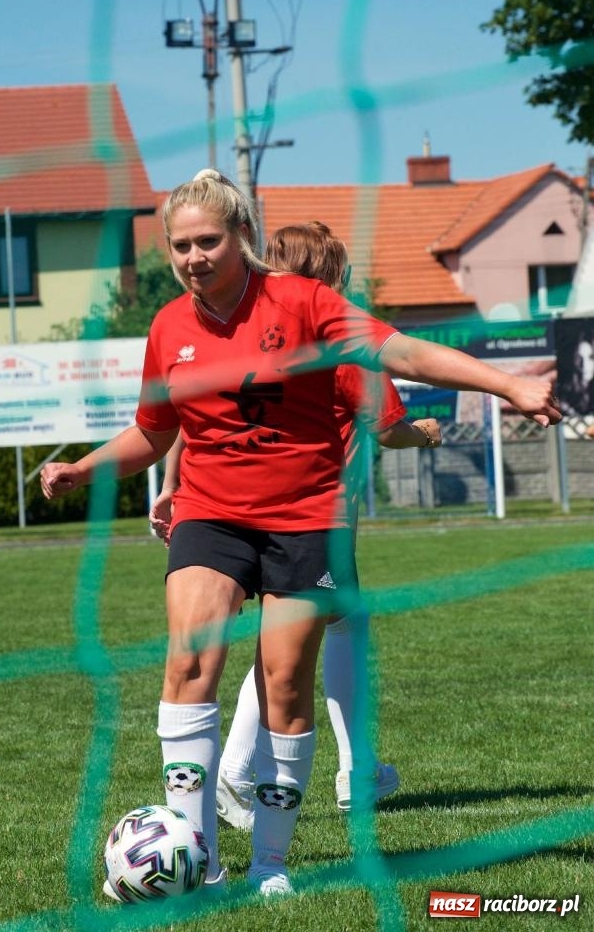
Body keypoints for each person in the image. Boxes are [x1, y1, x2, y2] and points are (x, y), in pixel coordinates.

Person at [40, 169, 559, 899]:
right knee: (190, 661)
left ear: (241, 237)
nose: (195, 257)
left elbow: (402, 353)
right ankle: (202, 869)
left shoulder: (305, 302)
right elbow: (155, 433)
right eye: (181, 245)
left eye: (208, 241)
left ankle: (271, 868)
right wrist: (85, 467)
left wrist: (506, 385)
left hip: (306, 518)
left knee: (284, 681)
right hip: (211, 512)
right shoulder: (168, 329)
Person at [149, 221, 443, 830]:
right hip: (315, 512)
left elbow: (188, 417)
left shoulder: (251, 327)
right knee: (299, 645)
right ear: (331, 274)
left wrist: (172, 484)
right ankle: (280, 772)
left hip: (276, 510)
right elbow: (386, 425)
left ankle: (345, 770)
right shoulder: (330, 331)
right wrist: (423, 435)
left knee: (303, 639)